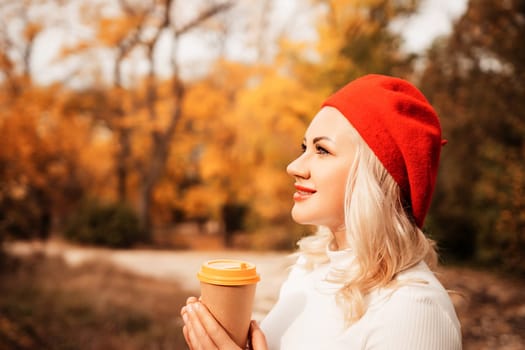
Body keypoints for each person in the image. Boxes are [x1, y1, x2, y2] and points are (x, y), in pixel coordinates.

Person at [180, 74, 462, 350]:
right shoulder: (308, 271)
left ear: (374, 175)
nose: (294, 166)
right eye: (305, 147)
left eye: (322, 150)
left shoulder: (414, 309)